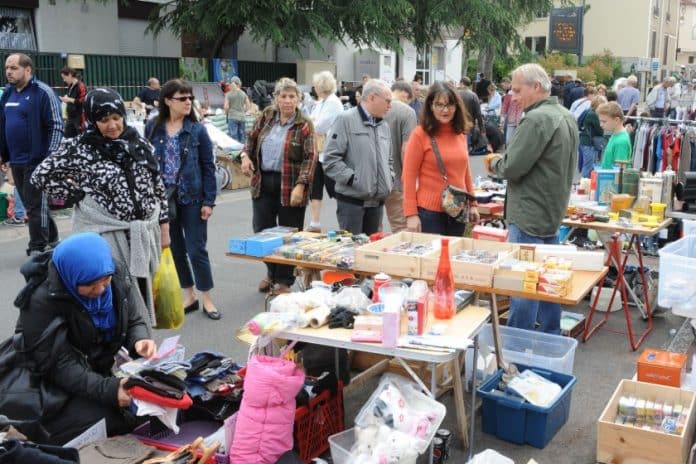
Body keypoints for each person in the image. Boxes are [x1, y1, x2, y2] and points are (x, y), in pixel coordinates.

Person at [31, 88, 169, 326]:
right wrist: (75, 194)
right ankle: (117, 347)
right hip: (106, 236)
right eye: (104, 120)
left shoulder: (138, 142)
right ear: (93, 121)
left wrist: (164, 226)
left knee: (142, 300)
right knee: (115, 299)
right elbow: (40, 176)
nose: (113, 125)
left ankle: (140, 343)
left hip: (142, 235)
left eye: (116, 117)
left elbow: (158, 185)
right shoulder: (80, 147)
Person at [7, 232, 156, 445]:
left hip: (94, 373)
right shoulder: (41, 302)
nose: (100, 290)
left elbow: (133, 319)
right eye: (90, 285)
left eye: (105, 281)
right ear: (71, 277)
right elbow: (59, 366)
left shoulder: (113, 274)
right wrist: (109, 390)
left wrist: (139, 340)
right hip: (51, 386)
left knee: (148, 410)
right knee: (108, 421)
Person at [484, 63, 578, 334]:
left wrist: (495, 164)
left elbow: (513, 167)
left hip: (529, 212)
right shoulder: (565, 115)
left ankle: (515, 342)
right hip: (551, 210)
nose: (512, 96)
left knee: (524, 282)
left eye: (516, 89)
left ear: (536, 87)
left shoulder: (536, 119)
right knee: (549, 281)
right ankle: (550, 335)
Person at [147, 79, 220, 320]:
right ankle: (189, 295)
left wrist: (209, 201)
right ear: (168, 101)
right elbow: (147, 165)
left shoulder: (197, 130)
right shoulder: (153, 127)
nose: (188, 102)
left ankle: (207, 298)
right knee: (175, 249)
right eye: (182, 98)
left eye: (190, 98)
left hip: (193, 198)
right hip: (164, 199)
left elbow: (209, 167)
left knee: (196, 249)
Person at [240, 77, 316, 294]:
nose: (287, 101)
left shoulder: (304, 125)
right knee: (262, 230)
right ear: (275, 99)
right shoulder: (266, 117)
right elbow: (250, 140)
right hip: (263, 181)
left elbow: (310, 158)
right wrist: (245, 156)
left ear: (299, 99)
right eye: (283, 96)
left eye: (292, 96)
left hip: (290, 185)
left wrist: (301, 186)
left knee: (288, 234)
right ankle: (271, 273)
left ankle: (284, 281)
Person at [0, 53, 62, 256]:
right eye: (7, 67)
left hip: (37, 160)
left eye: (14, 67)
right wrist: (3, 156)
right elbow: (2, 126)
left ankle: (38, 247)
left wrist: (50, 158)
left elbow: (56, 125)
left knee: (35, 206)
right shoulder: (8, 94)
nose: (9, 71)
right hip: (15, 160)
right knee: (32, 204)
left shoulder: (42, 92)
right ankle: (52, 238)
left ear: (27, 70)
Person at [402, 82, 479, 236]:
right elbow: (408, 177)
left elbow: (465, 172)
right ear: (431, 106)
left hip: (457, 210)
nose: (445, 110)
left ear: (457, 106)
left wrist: (473, 203)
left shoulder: (460, 133)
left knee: (453, 256)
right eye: (439, 104)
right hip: (430, 214)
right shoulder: (420, 135)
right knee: (434, 259)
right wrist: (411, 213)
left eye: (450, 104)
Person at [323, 79, 393, 236]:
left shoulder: (384, 126)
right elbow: (330, 160)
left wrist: (390, 178)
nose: (390, 106)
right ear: (372, 98)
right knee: (350, 253)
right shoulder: (345, 120)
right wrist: (354, 179)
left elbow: (389, 159)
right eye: (387, 101)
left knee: (370, 253)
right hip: (351, 203)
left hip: (376, 203)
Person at [307, 71, 344, 233]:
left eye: (315, 85)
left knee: (336, 189)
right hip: (318, 151)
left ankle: (344, 221)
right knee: (315, 188)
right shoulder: (322, 102)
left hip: (331, 153)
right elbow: (311, 122)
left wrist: (313, 124)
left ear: (321, 86)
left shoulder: (333, 103)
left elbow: (318, 126)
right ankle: (314, 223)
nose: (314, 88)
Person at [384, 81, 418, 233]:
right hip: (397, 181)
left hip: (372, 182)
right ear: (405, 94)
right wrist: (411, 181)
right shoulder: (407, 112)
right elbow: (407, 150)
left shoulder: (372, 108)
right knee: (401, 229)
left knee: (372, 231)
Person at [578, 95, 607, 177]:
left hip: (585, 140)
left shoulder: (588, 111)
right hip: (589, 142)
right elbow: (600, 130)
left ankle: (585, 183)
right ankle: (585, 184)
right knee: (589, 166)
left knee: (587, 164)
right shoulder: (594, 114)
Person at [597, 102, 632, 169]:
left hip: (611, 179)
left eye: (604, 121)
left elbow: (620, 171)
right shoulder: (616, 135)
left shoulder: (621, 141)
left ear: (616, 120)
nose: (600, 125)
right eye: (600, 121)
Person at [59, 66, 86, 137]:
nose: (64, 80)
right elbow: (72, 99)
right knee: (67, 137)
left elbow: (83, 100)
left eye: (64, 77)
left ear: (70, 75)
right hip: (70, 116)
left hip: (79, 117)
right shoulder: (70, 86)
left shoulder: (81, 85)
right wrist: (66, 99)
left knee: (80, 136)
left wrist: (69, 99)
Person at [224, 76, 250, 144]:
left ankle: (235, 152)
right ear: (239, 83)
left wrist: (227, 113)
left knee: (233, 136)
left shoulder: (228, 94)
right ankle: (242, 151)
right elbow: (248, 105)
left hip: (232, 117)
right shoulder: (243, 93)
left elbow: (226, 107)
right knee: (242, 135)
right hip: (242, 117)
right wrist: (244, 111)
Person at [501, 78, 523, 145]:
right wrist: (502, 119)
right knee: (508, 141)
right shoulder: (509, 95)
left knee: (519, 141)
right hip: (511, 120)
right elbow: (504, 108)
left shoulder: (524, 94)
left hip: (521, 120)